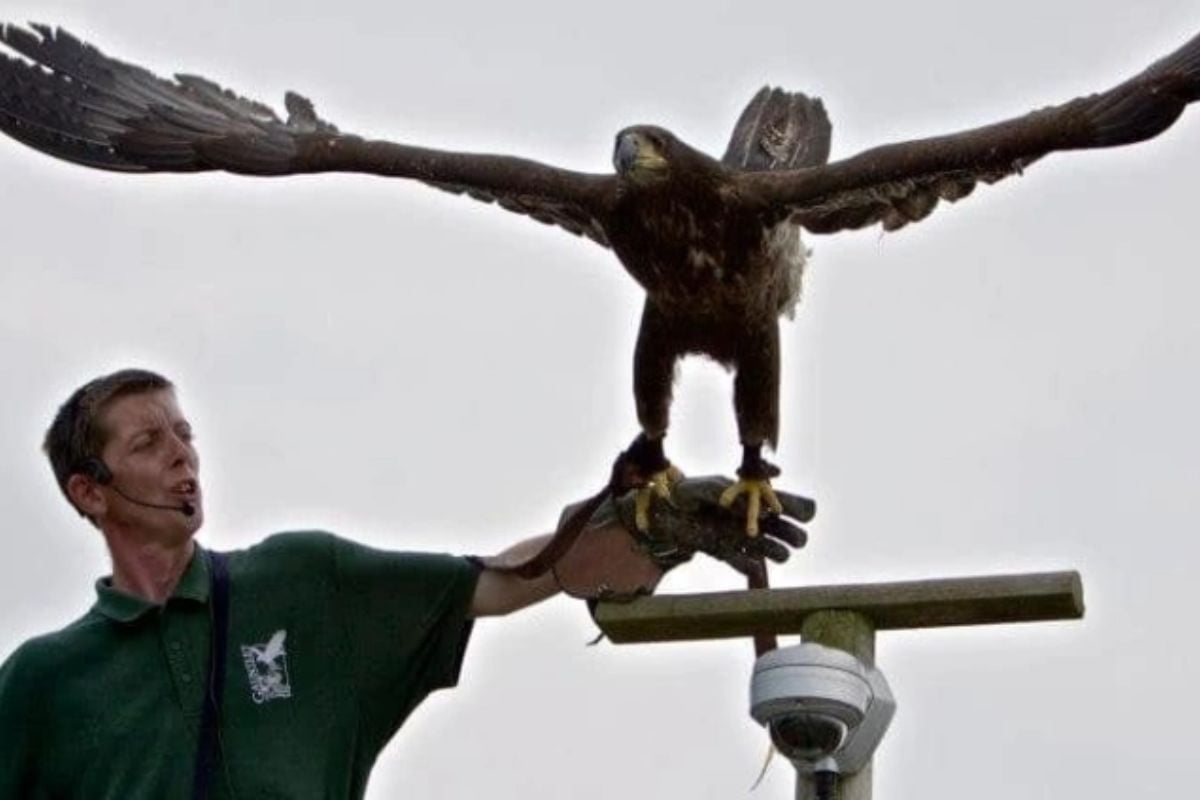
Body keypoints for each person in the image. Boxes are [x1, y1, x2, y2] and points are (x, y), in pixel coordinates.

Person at [0, 368, 811, 798]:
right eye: (149, 442)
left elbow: (515, 578)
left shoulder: (301, 585)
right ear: (90, 491)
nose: (183, 454)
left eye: (186, 432)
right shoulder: (43, 682)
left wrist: (644, 523)